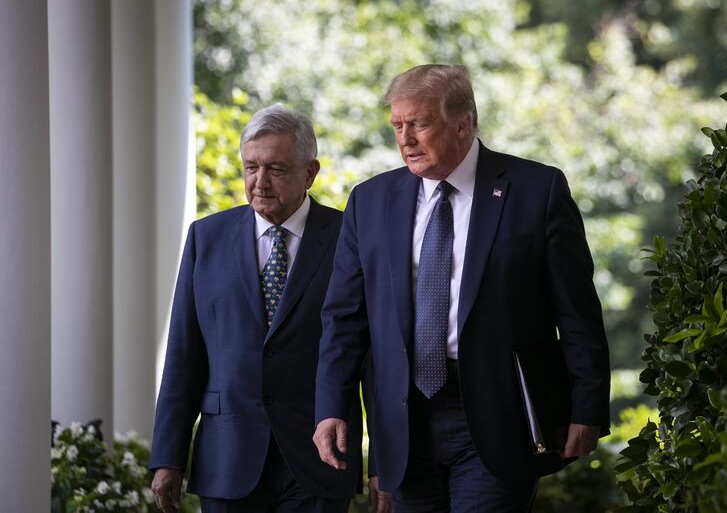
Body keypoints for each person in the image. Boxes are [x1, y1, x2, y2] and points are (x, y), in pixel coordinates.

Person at [313, 64, 610, 512]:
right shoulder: (370, 201)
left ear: (463, 124)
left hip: (499, 413)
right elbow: (343, 318)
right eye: (398, 125)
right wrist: (332, 405)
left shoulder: (537, 189)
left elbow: (576, 311)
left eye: (420, 123)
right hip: (405, 419)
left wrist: (587, 406)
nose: (405, 138)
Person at [149, 105, 364, 513]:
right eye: (251, 167)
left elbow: (372, 357)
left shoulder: (347, 239)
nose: (260, 183)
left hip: (318, 459)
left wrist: (380, 467)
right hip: (227, 457)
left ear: (310, 172)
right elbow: (184, 353)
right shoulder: (205, 238)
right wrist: (168, 456)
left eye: (276, 170)